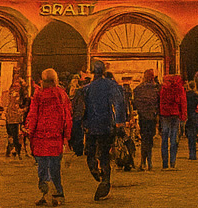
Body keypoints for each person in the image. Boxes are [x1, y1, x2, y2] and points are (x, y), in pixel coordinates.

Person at [82, 60, 128, 199]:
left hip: (91, 126)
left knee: (91, 153)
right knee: (104, 155)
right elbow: (119, 103)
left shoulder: (87, 88)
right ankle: (105, 180)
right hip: (106, 125)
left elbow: (82, 109)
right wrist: (120, 122)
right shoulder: (110, 85)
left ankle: (96, 172)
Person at [24, 68, 71, 206]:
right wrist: (67, 136)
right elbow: (67, 116)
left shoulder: (38, 95)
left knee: (42, 167)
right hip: (56, 137)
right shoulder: (62, 95)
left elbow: (33, 115)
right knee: (55, 167)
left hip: (40, 137)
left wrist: (29, 132)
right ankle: (57, 194)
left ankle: (44, 193)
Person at [132, 69, 161, 170]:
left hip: (143, 117)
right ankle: (149, 162)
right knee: (150, 139)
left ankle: (143, 162)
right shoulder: (157, 89)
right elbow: (158, 103)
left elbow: (135, 104)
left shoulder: (138, 89)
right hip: (152, 117)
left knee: (144, 139)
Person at [158, 73, 186, 169]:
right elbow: (182, 102)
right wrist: (183, 116)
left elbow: (160, 102)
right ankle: (172, 162)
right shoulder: (179, 88)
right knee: (174, 138)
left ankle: (165, 163)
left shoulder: (163, 89)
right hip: (175, 114)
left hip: (164, 115)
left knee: (164, 138)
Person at [3, 77, 29, 158]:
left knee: (14, 135)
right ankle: (14, 151)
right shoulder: (12, 94)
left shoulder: (18, 94)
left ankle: (14, 151)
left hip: (15, 117)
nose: (16, 88)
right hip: (12, 117)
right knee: (13, 134)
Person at [69, 74, 88, 157]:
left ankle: (79, 149)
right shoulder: (76, 92)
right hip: (76, 115)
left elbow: (80, 105)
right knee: (77, 132)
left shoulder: (79, 93)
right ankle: (78, 149)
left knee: (78, 132)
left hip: (78, 115)